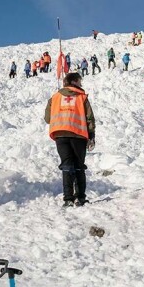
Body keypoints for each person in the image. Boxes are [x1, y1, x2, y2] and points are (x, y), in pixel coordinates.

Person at [45, 72, 96, 206]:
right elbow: (89, 117)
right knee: (79, 166)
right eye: (80, 81)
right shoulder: (81, 97)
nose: (81, 84)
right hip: (78, 135)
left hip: (60, 134)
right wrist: (92, 135)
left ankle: (68, 199)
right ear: (73, 82)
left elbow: (47, 118)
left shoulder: (55, 97)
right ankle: (80, 197)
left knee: (67, 166)